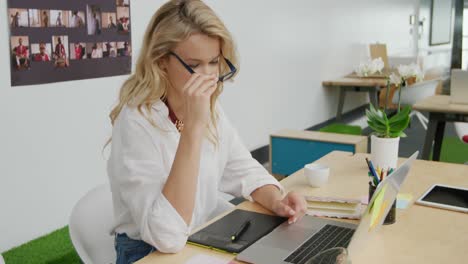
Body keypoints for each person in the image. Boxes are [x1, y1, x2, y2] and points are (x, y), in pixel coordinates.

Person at [106, 1, 307, 263]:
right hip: (148, 252)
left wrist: (277, 200)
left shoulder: (210, 108)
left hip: (198, 237)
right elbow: (166, 236)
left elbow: (244, 169)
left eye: (214, 62)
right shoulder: (136, 122)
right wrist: (193, 129)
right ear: (161, 61)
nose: (209, 77)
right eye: (194, 64)